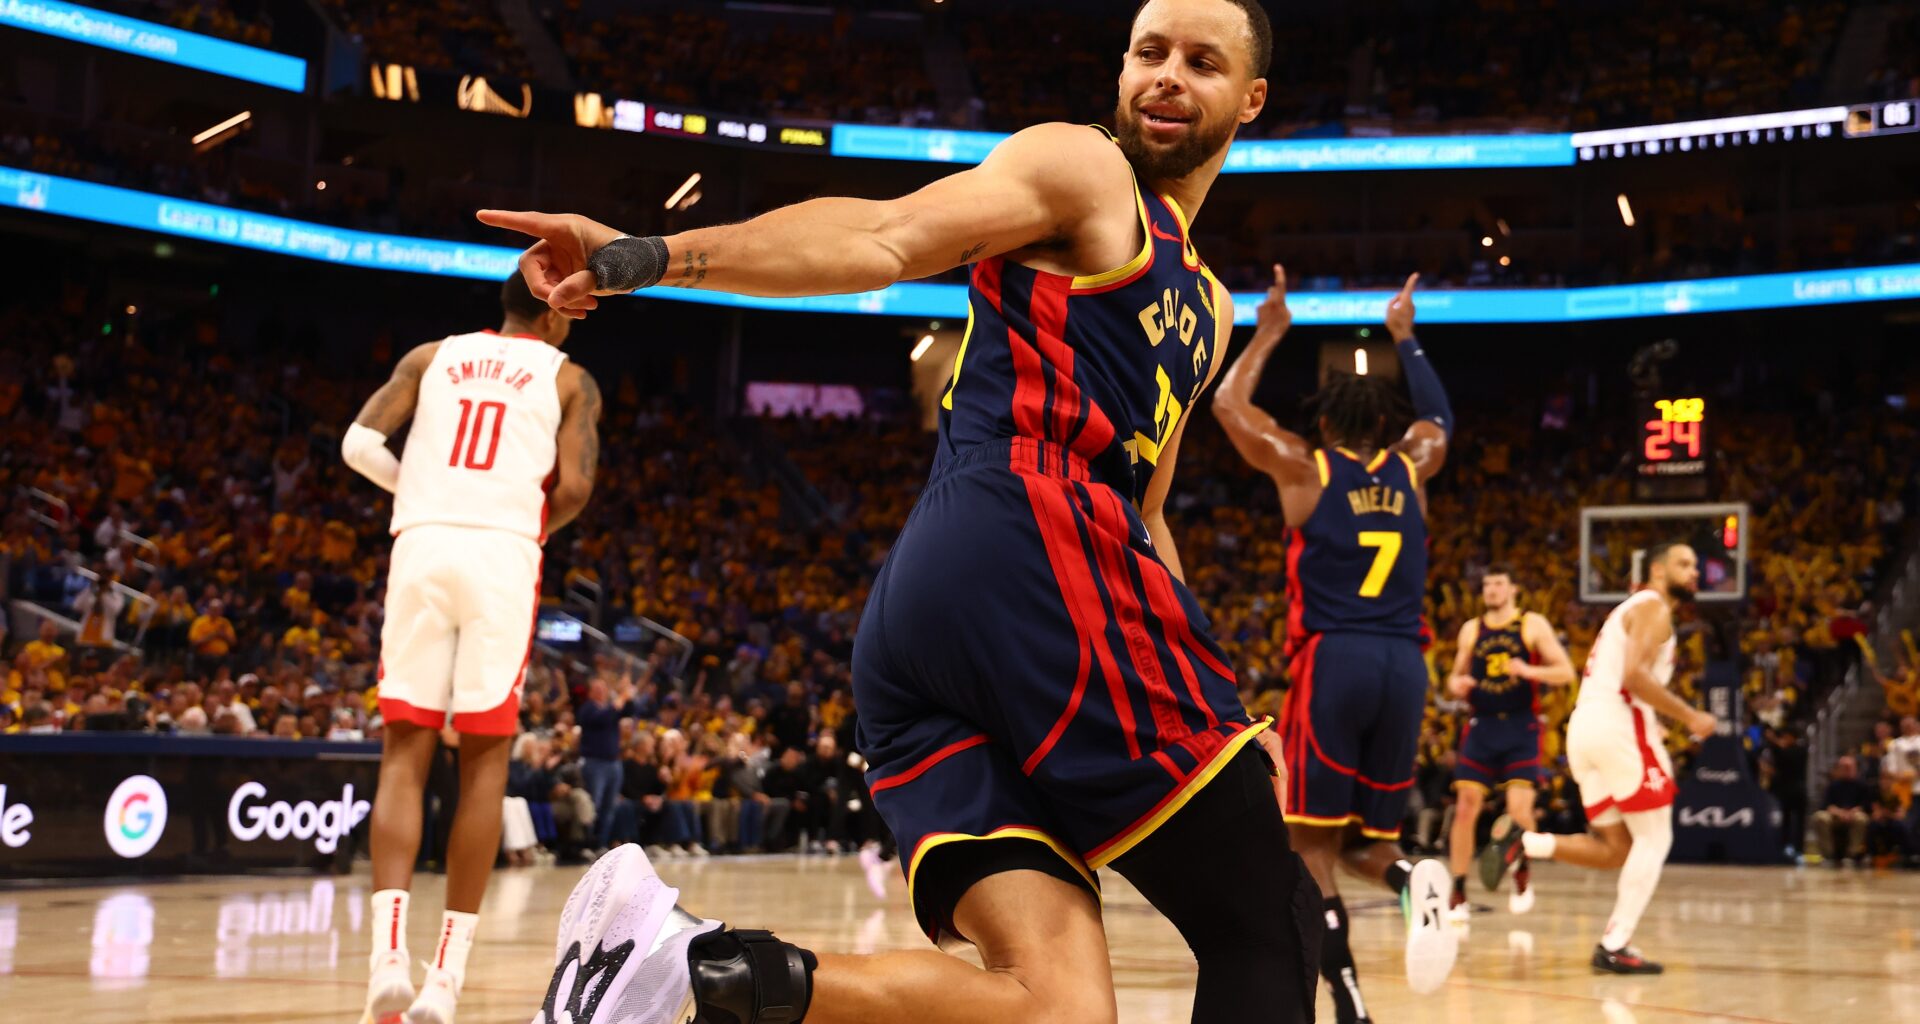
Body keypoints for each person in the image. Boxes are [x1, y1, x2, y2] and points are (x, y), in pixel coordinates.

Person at [489, 2, 1319, 1021]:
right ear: (1119, 67)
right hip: (1031, 544)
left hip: (947, 601)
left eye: (1202, 62)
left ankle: (686, 969)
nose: (1167, 77)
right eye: (1149, 52)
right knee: (1268, 915)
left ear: (1252, 99)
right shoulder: (1084, 169)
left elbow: (1147, 518)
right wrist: (643, 257)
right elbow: (882, 236)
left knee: (1055, 1005)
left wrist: (1217, 718)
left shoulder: (1214, 306)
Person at [343, 273, 601, 1024]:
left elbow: (358, 443)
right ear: (552, 316)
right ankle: (444, 981)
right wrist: (525, 525)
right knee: (484, 760)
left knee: (403, 751)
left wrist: (420, 494)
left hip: (422, 541)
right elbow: (578, 486)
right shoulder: (571, 377)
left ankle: (385, 962)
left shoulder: (431, 356)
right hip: (502, 553)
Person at [1212, 264, 1455, 1018]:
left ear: (1323, 425)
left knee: (1307, 846)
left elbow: (1227, 405)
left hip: (1334, 660)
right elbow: (1441, 421)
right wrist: (1405, 340)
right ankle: (1412, 878)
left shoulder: (1303, 466)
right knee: (1363, 841)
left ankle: (1347, 999)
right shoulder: (1414, 468)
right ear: (1386, 427)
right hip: (1405, 666)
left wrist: (1268, 334)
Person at [1482, 542, 1719, 975]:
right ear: (1657, 570)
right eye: (1684, 564)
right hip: (1617, 726)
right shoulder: (1653, 608)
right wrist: (1690, 716)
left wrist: (1654, 719)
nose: (1694, 572)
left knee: (1617, 849)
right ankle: (1616, 943)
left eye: (1696, 565)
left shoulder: (1631, 610)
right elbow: (1633, 677)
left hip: (1586, 727)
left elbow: (1621, 678)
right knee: (1656, 838)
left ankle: (1526, 843)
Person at [1444, 564, 1574, 921]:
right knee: (1466, 805)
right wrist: (1456, 685)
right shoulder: (1472, 629)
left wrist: (1529, 671)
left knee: (1519, 811)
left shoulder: (1532, 624)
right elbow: (1455, 678)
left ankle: (1521, 875)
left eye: (1499, 584)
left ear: (1513, 589)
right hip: (1481, 726)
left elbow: (1565, 671)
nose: (1492, 590)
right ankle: (1457, 890)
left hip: (1521, 726)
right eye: (1487, 585)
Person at [1812, 755, 1872, 865]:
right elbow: (1826, 805)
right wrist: (1839, 813)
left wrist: (1852, 812)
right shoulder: (1833, 786)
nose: (1847, 769)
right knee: (1819, 817)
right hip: (1836, 816)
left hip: (1854, 816)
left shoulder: (1863, 786)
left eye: (1849, 767)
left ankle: (1851, 855)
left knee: (1861, 819)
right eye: (1844, 767)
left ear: (1855, 768)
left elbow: (1866, 806)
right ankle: (1828, 855)